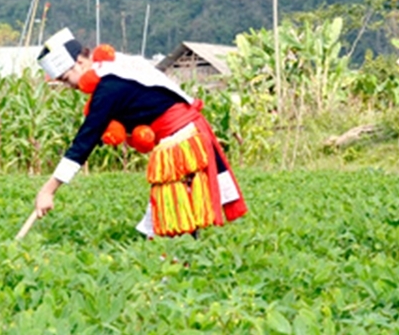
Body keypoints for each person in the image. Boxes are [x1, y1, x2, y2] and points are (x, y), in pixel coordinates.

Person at [32, 29, 246, 237]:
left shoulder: (109, 85)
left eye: (67, 79)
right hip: (184, 131)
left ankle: (179, 262)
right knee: (174, 208)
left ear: (79, 62)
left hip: (179, 137)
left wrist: (49, 190)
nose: (70, 86)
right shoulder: (115, 67)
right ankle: (180, 258)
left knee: (174, 208)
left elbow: (85, 141)